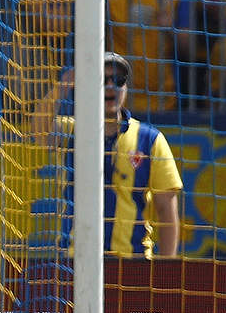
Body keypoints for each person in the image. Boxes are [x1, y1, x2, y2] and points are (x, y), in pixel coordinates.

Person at [33, 52, 183, 258]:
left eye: (119, 80)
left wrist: (168, 269)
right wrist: (65, 84)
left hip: (133, 260)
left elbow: (166, 209)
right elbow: (37, 133)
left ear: (126, 88)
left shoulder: (150, 139)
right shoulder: (70, 131)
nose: (111, 85)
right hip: (76, 259)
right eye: (102, 79)